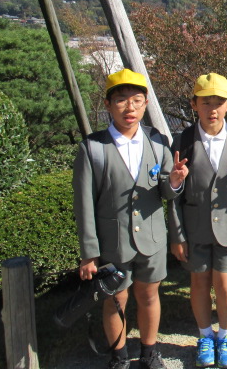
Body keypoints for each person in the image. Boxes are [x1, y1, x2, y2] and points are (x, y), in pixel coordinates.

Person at [73, 68, 188, 369]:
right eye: (121, 100)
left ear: (146, 104)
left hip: (152, 237)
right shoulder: (93, 148)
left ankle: (149, 353)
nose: (130, 107)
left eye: (137, 100)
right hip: (113, 241)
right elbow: (84, 204)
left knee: (149, 296)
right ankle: (119, 357)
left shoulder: (158, 142)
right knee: (115, 300)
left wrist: (175, 181)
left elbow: (166, 192)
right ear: (108, 104)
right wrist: (89, 253)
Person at [168, 73, 227, 369]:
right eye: (205, 102)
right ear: (194, 104)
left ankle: (226, 335)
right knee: (199, 282)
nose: (212, 109)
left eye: (218, 102)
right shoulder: (182, 141)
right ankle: (205, 335)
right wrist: (177, 236)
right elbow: (173, 196)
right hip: (195, 229)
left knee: (226, 284)